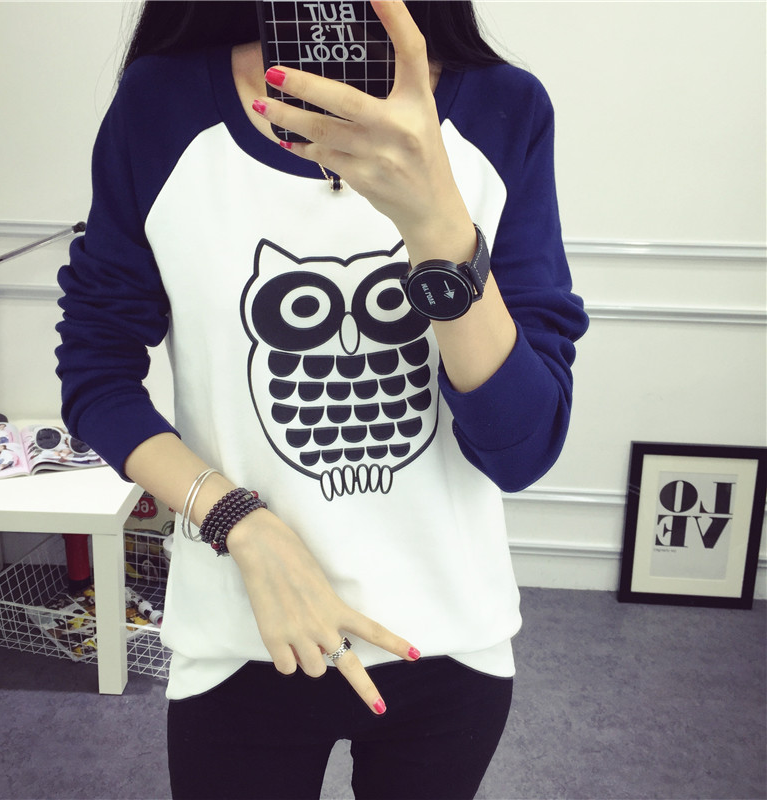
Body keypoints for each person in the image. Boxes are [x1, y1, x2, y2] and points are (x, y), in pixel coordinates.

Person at [55, 2, 589, 798]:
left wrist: (438, 222)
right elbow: (97, 370)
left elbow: (522, 448)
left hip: (447, 643)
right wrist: (236, 520)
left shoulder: (503, 110)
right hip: (243, 633)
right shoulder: (163, 105)